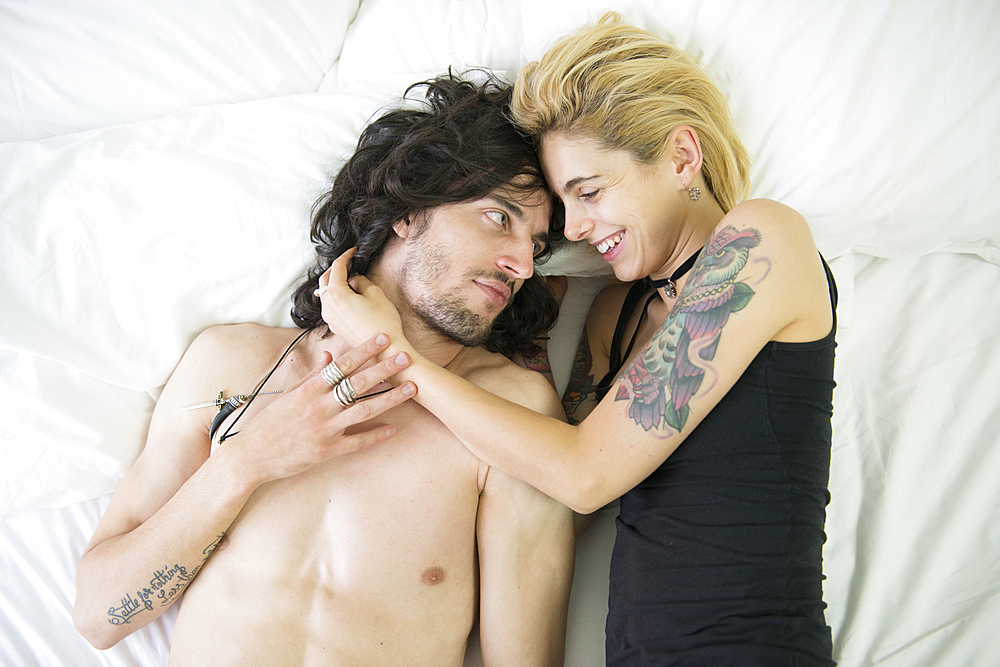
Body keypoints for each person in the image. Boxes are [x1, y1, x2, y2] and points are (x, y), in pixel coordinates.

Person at [318, 13, 838, 667]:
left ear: (682, 156)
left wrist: (398, 355)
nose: (579, 228)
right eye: (565, 210)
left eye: (588, 192)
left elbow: (585, 472)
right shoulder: (613, 314)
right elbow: (553, 504)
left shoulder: (762, 242)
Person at [73, 73, 576, 667]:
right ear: (408, 212)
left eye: (537, 247)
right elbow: (99, 616)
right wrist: (246, 462)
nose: (521, 264)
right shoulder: (232, 363)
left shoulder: (513, 412)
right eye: (499, 219)